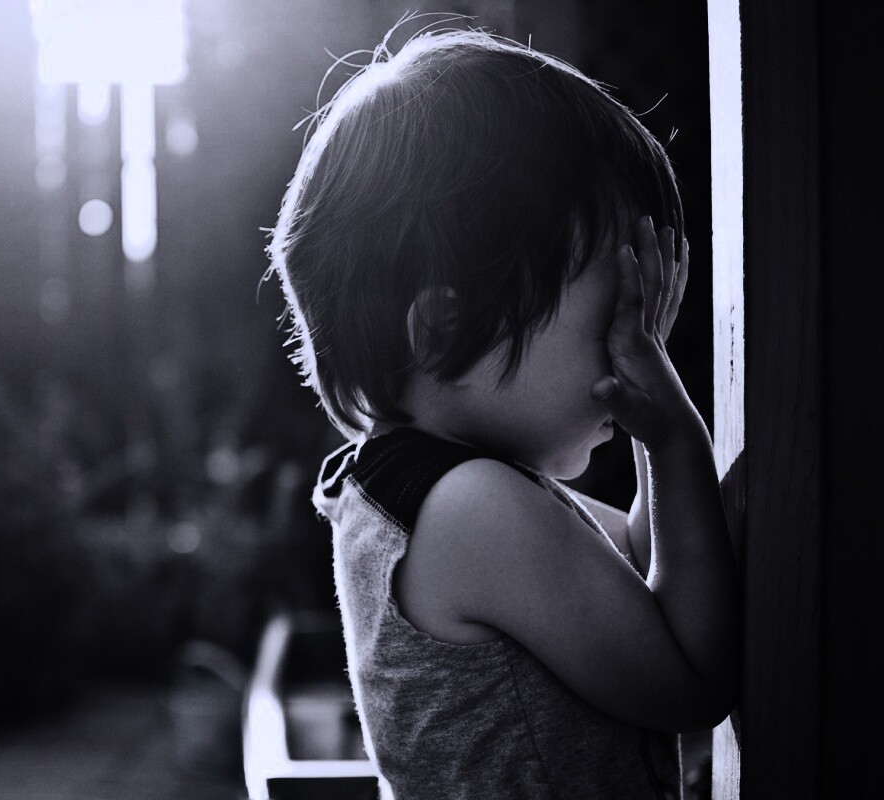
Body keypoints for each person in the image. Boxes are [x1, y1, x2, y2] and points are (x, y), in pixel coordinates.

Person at [264, 21, 739, 800]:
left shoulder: (428, 496)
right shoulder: (471, 509)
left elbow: (646, 569)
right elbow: (692, 681)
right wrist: (676, 439)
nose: (634, 346)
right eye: (614, 319)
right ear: (444, 331)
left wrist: (654, 418)